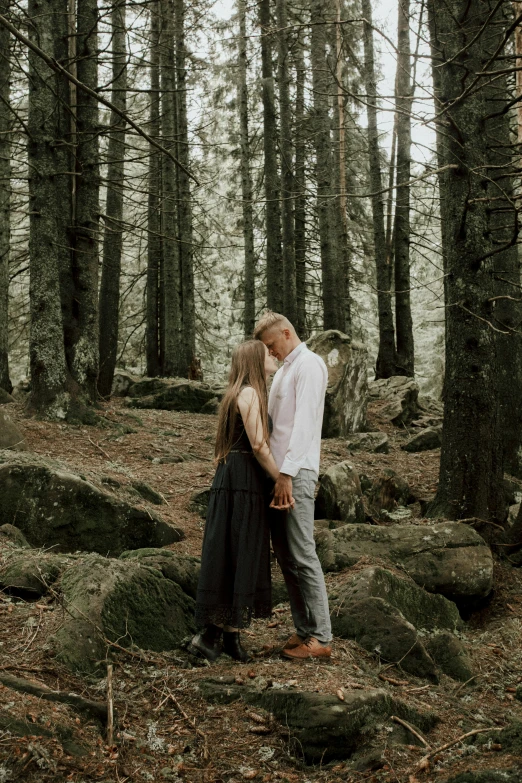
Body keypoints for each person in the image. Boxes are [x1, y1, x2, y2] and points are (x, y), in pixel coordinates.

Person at [188, 339, 291, 663]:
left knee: (238, 551)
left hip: (238, 480)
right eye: (266, 353)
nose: (272, 355)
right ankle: (210, 637)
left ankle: (229, 637)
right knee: (235, 552)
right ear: (254, 361)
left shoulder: (243, 392)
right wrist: (280, 479)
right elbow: (259, 445)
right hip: (242, 481)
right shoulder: (247, 393)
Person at [254, 311, 332, 660]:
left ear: (287, 332)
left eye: (272, 345)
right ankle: (304, 630)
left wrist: (286, 474)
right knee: (286, 556)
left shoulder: (309, 365)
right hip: (279, 473)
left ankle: (322, 637)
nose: (270, 353)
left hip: (295, 474)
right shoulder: (285, 370)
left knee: (302, 552)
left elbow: (304, 424)